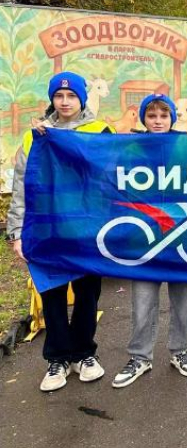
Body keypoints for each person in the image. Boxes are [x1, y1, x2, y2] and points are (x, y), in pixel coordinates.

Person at [5, 71, 114, 392]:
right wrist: (16, 232)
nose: (65, 102)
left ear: (81, 98)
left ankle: (84, 353)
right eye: (58, 96)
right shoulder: (35, 136)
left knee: (87, 293)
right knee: (51, 292)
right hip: (47, 228)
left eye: (71, 96)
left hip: (86, 228)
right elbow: (21, 186)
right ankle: (57, 359)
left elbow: (113, 176)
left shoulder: (101, 131)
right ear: (52, 99)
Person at [112, 94, 187, 388]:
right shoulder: (132, 148)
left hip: (179, 234)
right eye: (152, 116)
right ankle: (140, 357)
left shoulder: (185, 144)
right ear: (144, 119)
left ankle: (181, 351)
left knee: (183, 300)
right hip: (144, 238)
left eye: (164, 116)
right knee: (142, 301)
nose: (158, 121)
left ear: (172, 118)